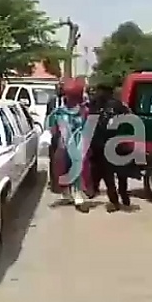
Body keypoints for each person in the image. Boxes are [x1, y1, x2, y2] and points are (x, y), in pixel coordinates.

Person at [46, 78, 91, 213]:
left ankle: (77, 195)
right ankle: (66, 193)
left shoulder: (84, 111)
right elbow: (51, 126)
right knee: (62, 168)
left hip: (77, 144)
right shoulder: (59, 111)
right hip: (63, 144)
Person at [88, 82, 134, 212]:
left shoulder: (117, 106)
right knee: (108, 175)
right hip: (101, 146)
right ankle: (114, 200)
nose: (98, 94)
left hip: (117, 144)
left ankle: (123, 195)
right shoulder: (94, 105)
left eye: (100, 91)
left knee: (121, 174)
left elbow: (129, 121)